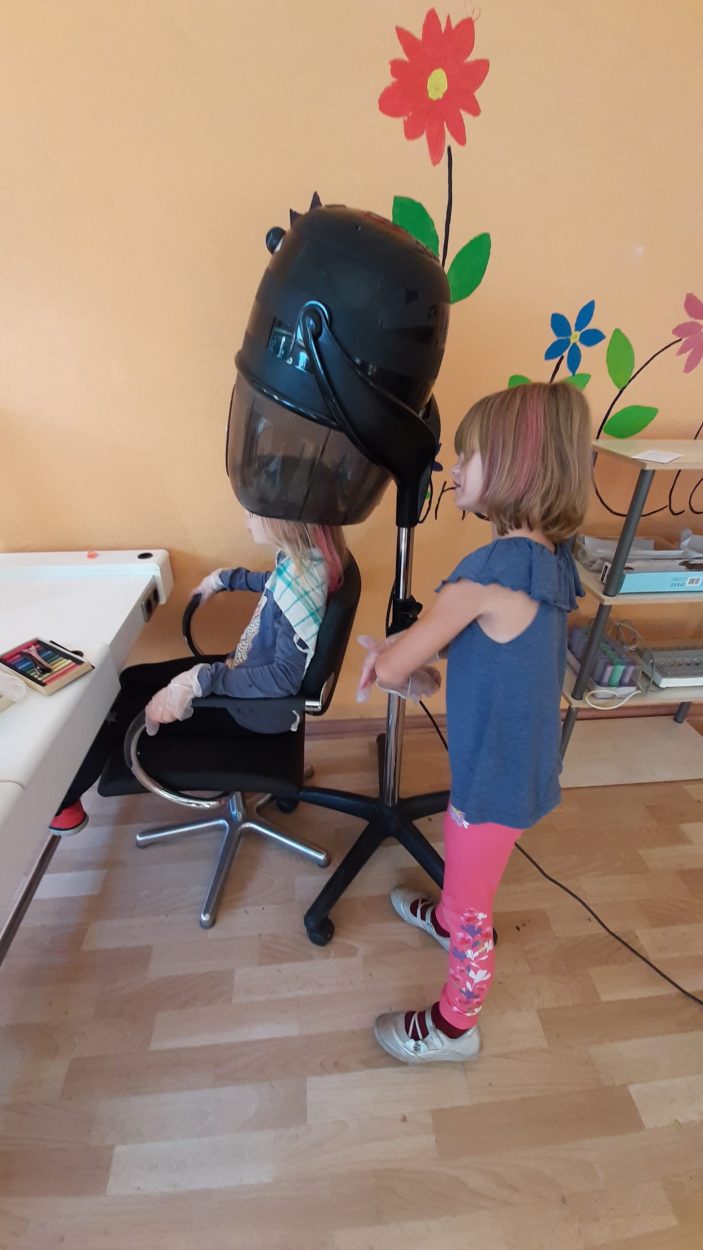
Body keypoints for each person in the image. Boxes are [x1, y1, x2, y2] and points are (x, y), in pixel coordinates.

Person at [357, 381, 591, 1063]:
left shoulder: (488, 569)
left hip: (491, 782)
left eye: (468, 455)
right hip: (523, 765)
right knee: (468, 875)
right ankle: (446, 913)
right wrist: (414, 661)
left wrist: (387, 660)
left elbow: (401, 666)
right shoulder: (551, 561)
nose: (452, 469)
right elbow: (485, 645)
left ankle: (453, 1026)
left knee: (472, 907)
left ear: (518, 466)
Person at [49, 513, 347, 834]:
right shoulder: (308, 561)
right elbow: (276, 586)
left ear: (284, 520)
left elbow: (283, 678)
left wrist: (204, 680)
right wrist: (228, 579)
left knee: (117, 713)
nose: (246, 522)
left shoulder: (302, 586)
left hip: (251, 711)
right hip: (246, 675)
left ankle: (62, 803)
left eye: (251, 514)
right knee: (130, 681)